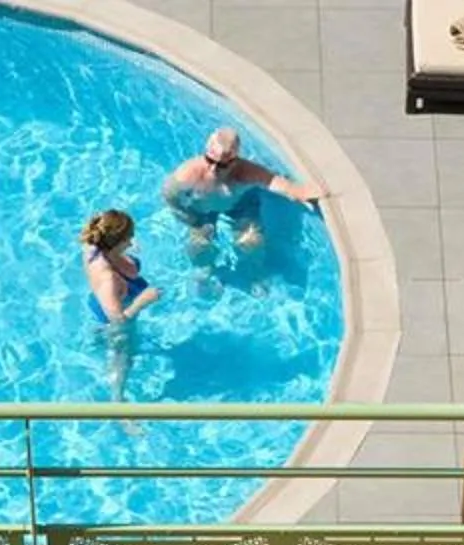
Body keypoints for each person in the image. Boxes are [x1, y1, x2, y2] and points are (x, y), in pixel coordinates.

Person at [161, 127, 322, 254]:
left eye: (222, 164)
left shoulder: (245, 172)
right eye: (209, 160)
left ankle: (253, 273)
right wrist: (192, 220)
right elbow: (170, 195)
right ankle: (205, 273)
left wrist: (300, 193)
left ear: (234, 161)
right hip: (202, 212)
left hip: (239, 207)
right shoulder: (188, 173)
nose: (213, 168)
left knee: (251, 242)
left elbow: (279, 183)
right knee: (198, 248)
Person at [81, 208, 158, 398]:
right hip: (114, 314)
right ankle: (118, 405)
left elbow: (100, 224)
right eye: (129, 238)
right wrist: (142, 301)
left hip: (105, 301)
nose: (132, 241)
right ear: (116, 242)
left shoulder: (92, 246)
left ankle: (97, 340)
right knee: (123, 359)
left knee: (104, 339)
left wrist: (123, 246)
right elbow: (118, 321)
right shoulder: (108, 279)